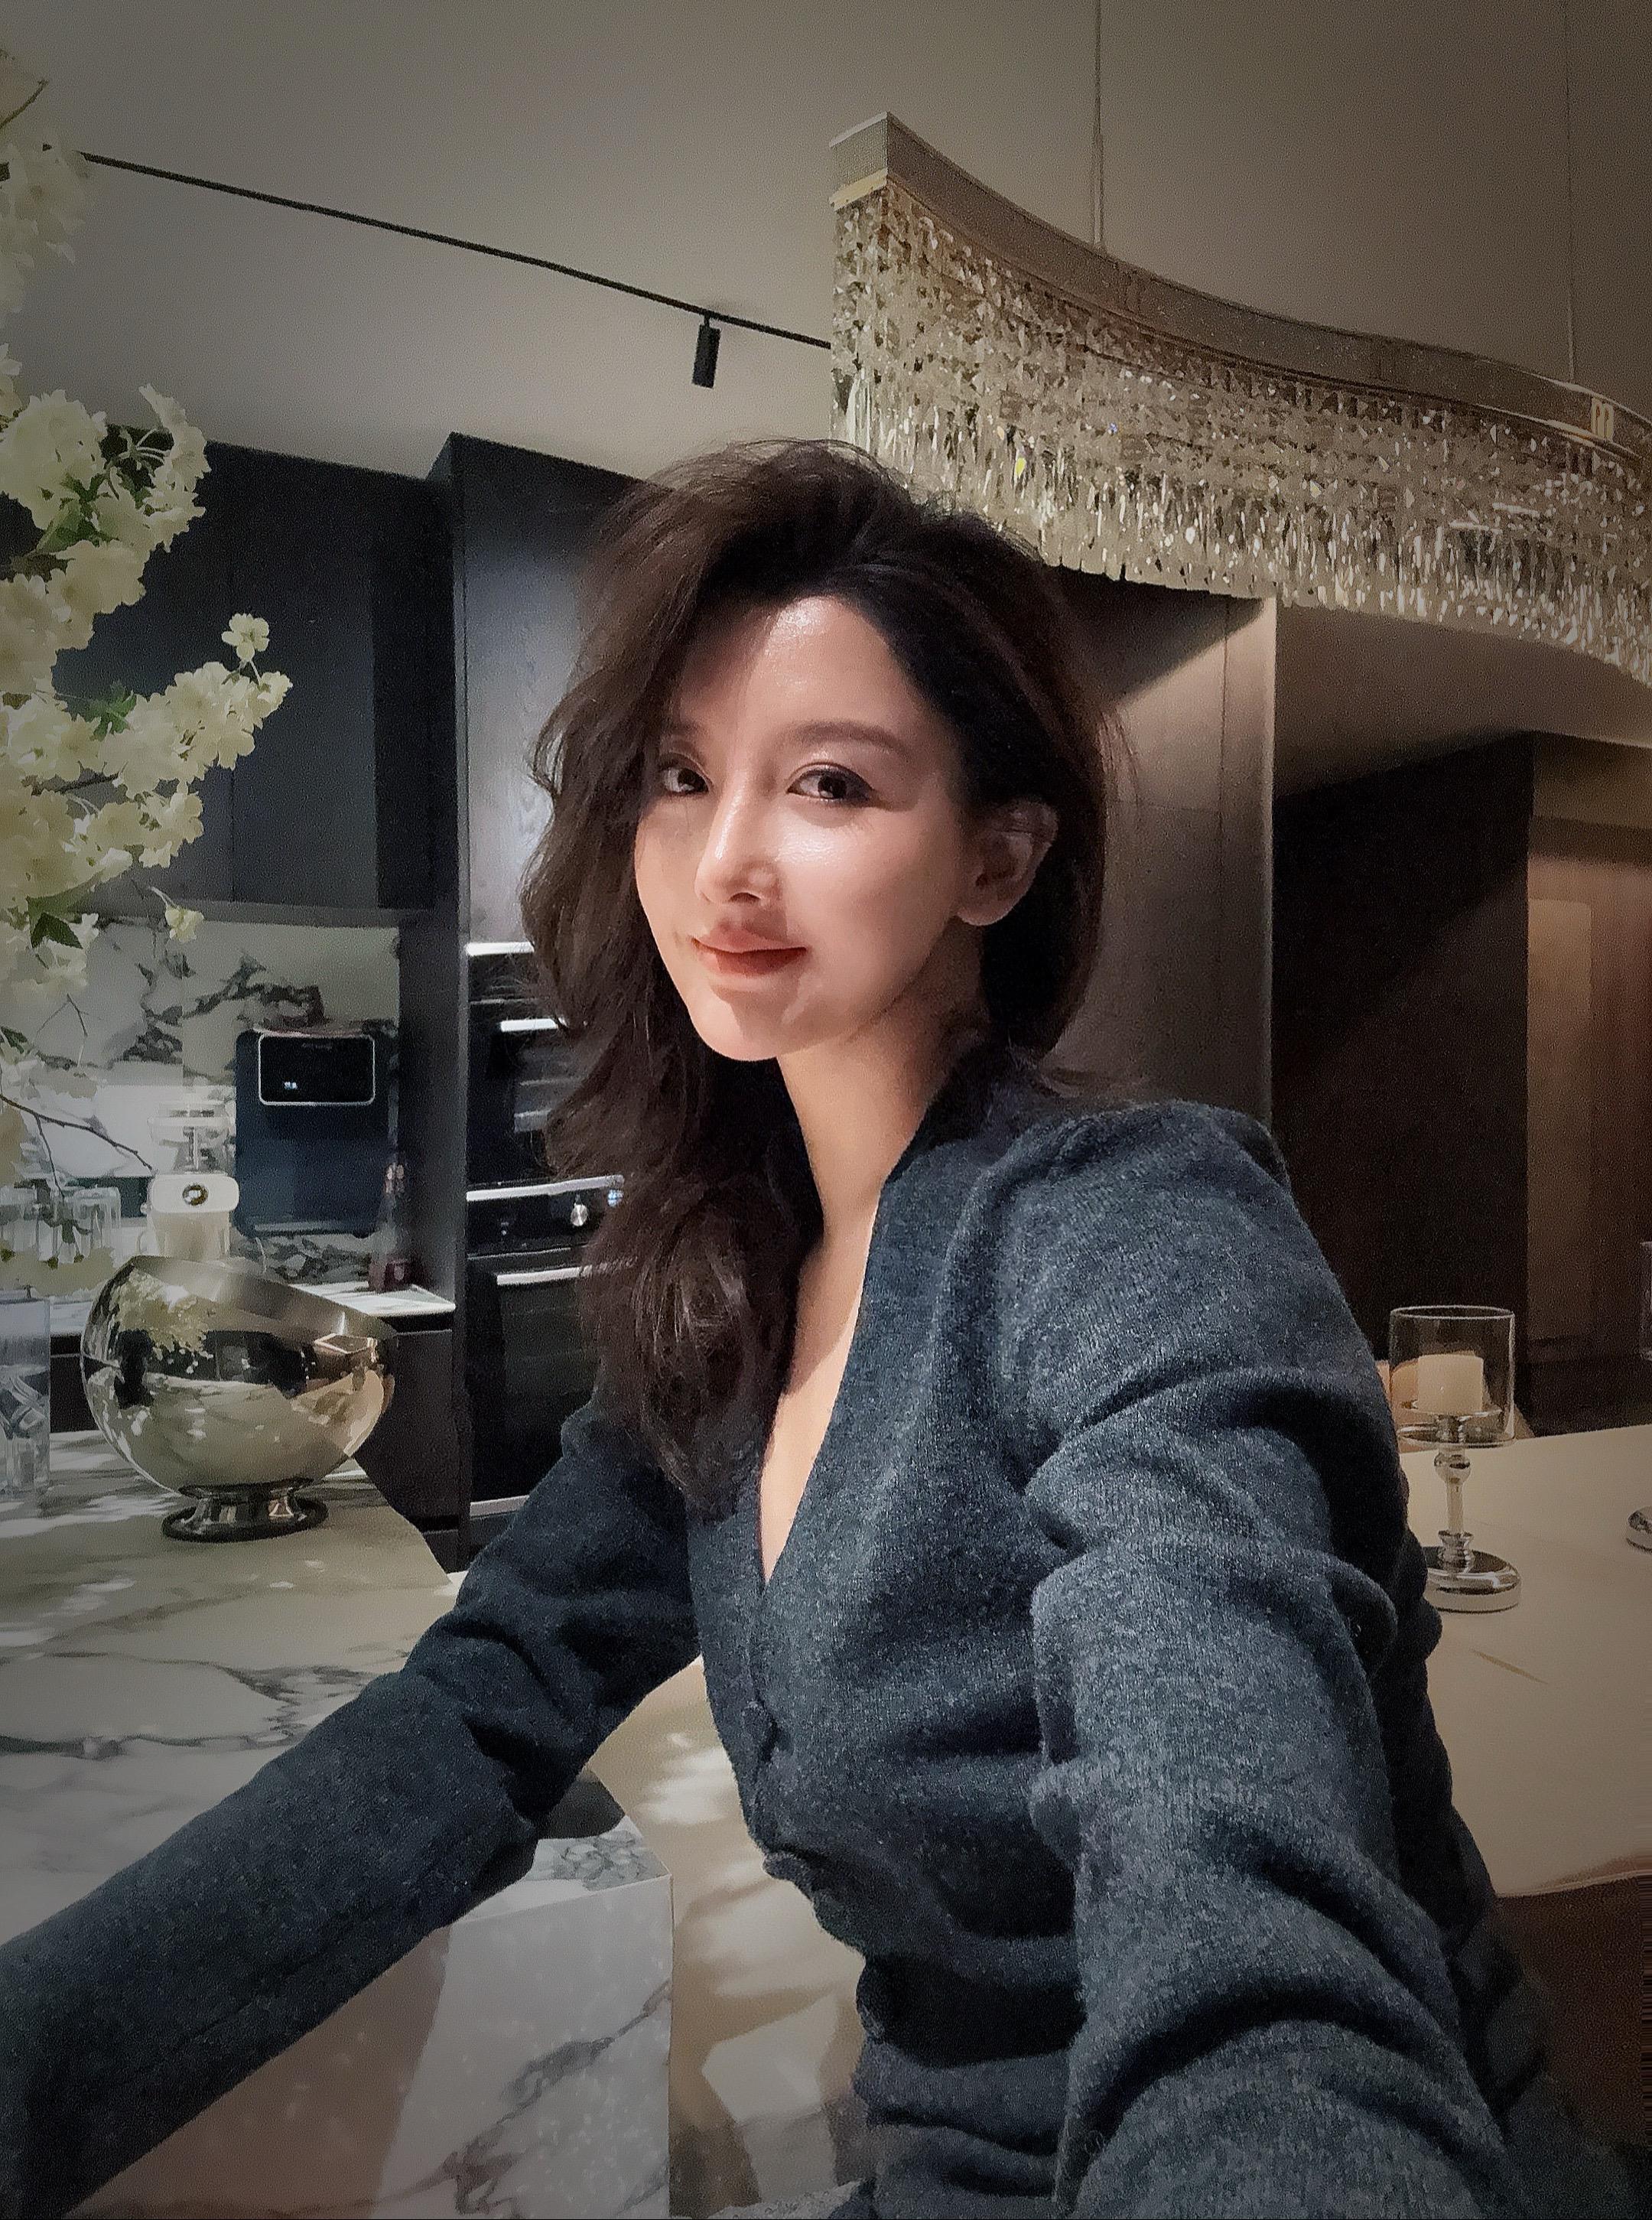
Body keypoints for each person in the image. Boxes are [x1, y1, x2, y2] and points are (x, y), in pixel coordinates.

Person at [0, 438, 1641, 2220]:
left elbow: (1245, 1912)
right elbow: (470, 1714)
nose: (725, 860)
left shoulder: (1138, 1233)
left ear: (997, 854)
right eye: (681, 774)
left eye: (832, 784)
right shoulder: (735, 1282)